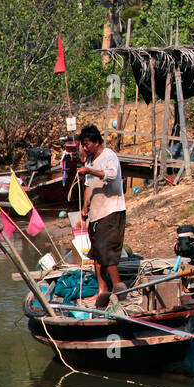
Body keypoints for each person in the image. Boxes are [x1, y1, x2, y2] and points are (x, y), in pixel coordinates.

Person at [76, 124, 127, 308]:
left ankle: (118, 290)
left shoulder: (108, 156)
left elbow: (112, 176)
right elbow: (89, 187)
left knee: (107, 250)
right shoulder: (89, 161)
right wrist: (85, 208)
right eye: (83, 144)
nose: (84, 147)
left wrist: (89, 171)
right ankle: (102, 289)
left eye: (87, 144)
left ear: (96, 142)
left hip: (111, 210)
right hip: (96, 214)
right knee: (97, 253)